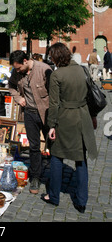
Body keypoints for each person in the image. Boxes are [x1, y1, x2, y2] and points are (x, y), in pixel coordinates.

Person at [41, 42, 97, 213]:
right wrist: (93, 116)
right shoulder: (82, 69)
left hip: (65, 118)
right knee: (81, 160)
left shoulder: (57, 76)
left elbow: (54, 103)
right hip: (83, 116)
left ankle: (54, 196)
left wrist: (51, 126)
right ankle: (81, 201)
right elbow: (91, 95)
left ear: (56, 57)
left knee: (57, 157)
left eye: (51, 57)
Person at [8, 50, 52, 194]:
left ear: (26, 61)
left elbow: (55, 93)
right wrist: (18, 98)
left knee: (52, 145)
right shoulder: (17, 72)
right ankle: (36, 177)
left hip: (46, 113)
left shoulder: (44, 69)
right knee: (34, 146)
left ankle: (54, 174)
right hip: (30, 113)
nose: (17, 70)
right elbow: (11, 86)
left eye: (19, 67)